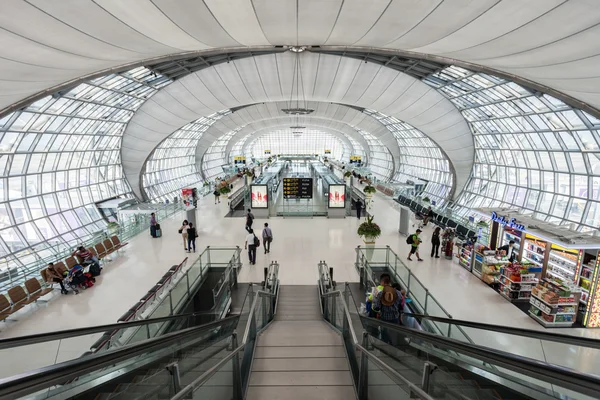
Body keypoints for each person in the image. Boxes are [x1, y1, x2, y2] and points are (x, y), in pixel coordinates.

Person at [373, 275, 403, 344]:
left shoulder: (380, 294)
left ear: (383, 282)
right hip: (395, 319)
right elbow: (400, 305)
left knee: (384, 337)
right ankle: (394, 348)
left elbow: (376, 307)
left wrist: (375, 301)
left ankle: (386, 349)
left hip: (384, 320)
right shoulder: (398, 293)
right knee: (394, 336)